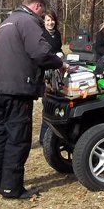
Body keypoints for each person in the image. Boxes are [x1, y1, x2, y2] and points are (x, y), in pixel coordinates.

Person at [0, 0, 65, 200]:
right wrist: (60, 64)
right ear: (36, 6)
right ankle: (11, 188)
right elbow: (40, 53)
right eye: (42, 11)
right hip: (18, 88)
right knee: (18, 138)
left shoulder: (7, 22)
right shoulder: (28, 21)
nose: (42, 16)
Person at [38, 8, 62, 145]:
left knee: (55, 103)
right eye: (47, 20)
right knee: (47, 103)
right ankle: (43, 137)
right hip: (46, 73)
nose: (50, 22)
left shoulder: (57, 34)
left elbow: (57, 48)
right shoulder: (41, 34)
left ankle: (52, 136)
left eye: (52, 20)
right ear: (43, 21)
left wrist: (60, 54)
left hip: (56, 71)